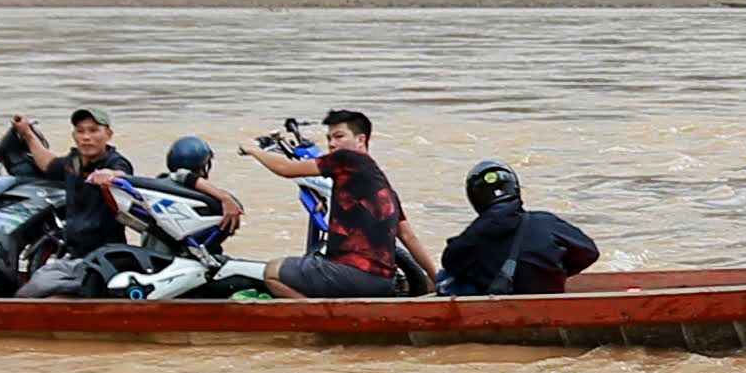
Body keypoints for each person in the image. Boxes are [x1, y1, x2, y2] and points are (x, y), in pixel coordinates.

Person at [252, 108, 432, 299]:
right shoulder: (383, 186)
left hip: (350, 274)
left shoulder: (347, 158)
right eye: (329, 139)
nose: (332, 144)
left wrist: (253, 150)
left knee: (272, 272)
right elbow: (408, 236)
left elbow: (286, 169)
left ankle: (323, 320)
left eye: (339, 136)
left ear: (361, 140)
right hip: (383, 282)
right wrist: (436, 279)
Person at [3, 107, 136, 297]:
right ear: (74, 136)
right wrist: (27, 133)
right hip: (74, 255)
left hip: (103, 258)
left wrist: (111, 177)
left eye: (93, 130)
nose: (86, 137)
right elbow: (48, 164)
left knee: (33, 291)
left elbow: (124, 175)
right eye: (80, 131)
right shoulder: (73, 163)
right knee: (34, 282)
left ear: (108, 134)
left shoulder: (114, 162)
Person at [435, 160, 603, 299]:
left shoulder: (474, 235)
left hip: (499, 307)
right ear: (515, 189)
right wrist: (556, 268)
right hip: (550, 302)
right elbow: (589, 252)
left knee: (447, 278)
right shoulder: (546, 221)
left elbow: (450, 262)